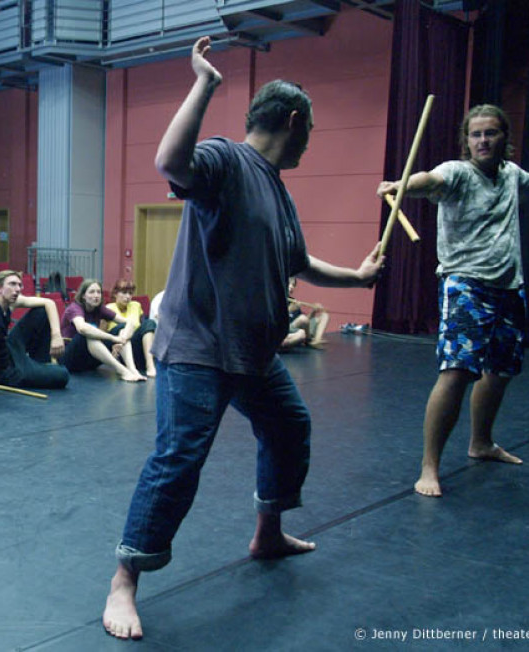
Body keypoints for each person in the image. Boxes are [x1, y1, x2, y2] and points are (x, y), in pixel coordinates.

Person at [103, 36, 384, 640]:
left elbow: (299, 262)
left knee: (289, 428)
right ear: (292, 121)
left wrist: (357, 276)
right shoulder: (227, 161)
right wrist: (204, 84)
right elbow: (169, 164)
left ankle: (266, 532)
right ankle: (124, 580)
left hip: (253, 355)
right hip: (199, 349)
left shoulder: (278, 191)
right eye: (309, 131)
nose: (310, 142)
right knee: (178, 460)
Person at [376, 104, 529, 498]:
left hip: (509, 287)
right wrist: (401, 183)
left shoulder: (511, 175)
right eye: (475, 134)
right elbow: (430, 178)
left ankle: (480, 442)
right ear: (466, 140)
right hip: (465, 285)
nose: (482, 140)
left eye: (490, 133)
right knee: (457, 372)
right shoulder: (458, 173)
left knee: (499, 371)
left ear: (504, 138)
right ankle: (429, 466)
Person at [60, 279, 145, 382]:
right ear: (83, 295)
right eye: (91, 292)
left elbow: (129, 323)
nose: (96, 295)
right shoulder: (74, 308)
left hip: (88, 360)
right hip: (69, 360)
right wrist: (113, 338)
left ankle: (132, 369)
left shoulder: (99, 308)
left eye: (98, 292)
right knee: (90, 334)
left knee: (122, 327)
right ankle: (122, 371)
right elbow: (82, 328)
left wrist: (122, 340)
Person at [105, 279, 158, 377]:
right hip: (119, 353)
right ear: (115, 293)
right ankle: (130, 367)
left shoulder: (136, 305)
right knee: (122, 326)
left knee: (150, 323)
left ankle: (150, 365)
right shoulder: (108, 308)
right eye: (124, 293)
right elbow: (102, 334)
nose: (128, 296)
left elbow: (144, 329)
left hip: (137, 349)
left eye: (130, 293)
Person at [280, 277, 330, 349]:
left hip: (297, 327)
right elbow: (275, 321)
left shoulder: (293, 301)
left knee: (324, 315)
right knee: (302, 319)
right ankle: (308, 341)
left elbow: (305, 322)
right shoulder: (277, 300)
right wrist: (290, 310)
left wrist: (313, 312)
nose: (291, 287)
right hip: (286, 330)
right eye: (289, 284)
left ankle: (316, 341)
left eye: (293, 285)